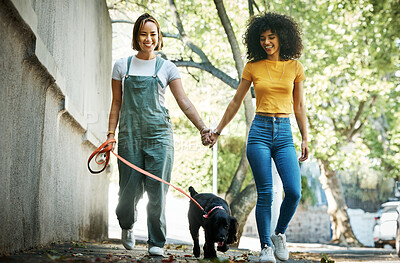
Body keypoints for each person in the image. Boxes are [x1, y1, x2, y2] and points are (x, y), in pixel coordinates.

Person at [202, 12, 309, 263]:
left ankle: (279, 235)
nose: (267, 42)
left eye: (271, 37)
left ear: (283, 37)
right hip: (259, 131)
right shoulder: (252, 67)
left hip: (284, 132)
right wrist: (217, 130)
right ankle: (265, 248)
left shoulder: (295, 67)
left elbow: (300, 105)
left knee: (294, 191)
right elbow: (236, 101)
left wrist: (305, 137)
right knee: (266, 193)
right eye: (262, 38)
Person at [107, 13, 209, 256]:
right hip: (130, 136)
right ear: (136, 36)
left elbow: (183, 101)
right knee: (127, 192)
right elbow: (116, 103)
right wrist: (111, 134)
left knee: (157, 191)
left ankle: (156, 242)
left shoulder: (167, 67)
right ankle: (127, 224)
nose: (148, 38)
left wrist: (202, 128)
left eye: (153, 34)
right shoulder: (122, 66)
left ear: (159, 37)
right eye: (143, 34)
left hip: (159, 136)